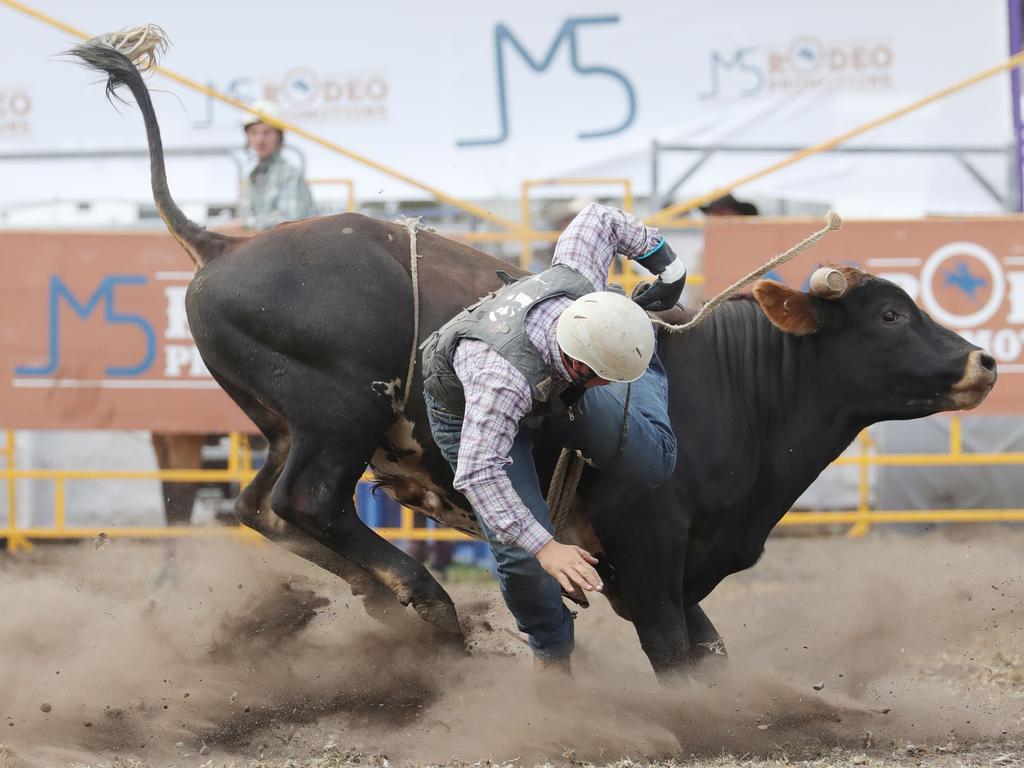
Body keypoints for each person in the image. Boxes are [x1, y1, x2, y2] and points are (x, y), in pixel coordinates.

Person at [421, 203, 685, 673]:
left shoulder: (579, 282)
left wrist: (667, 264)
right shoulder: (500, 380)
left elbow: (599, 218)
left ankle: (637, 347)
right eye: (611, 377)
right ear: (585, 370)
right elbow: (479, 471)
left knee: (654, 461)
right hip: (474, 410)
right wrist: (547, 547)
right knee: (522, 559)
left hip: (554, 387)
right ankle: (553, 661)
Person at [239, 100, 316, 230]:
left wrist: (247, 225)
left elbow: (289, 222)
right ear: (248, 138)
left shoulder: (290, 173)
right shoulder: (251, 176)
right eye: (254, 133)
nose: (260, 139)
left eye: (266, 132)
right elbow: (246, 219)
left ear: (278, 136)